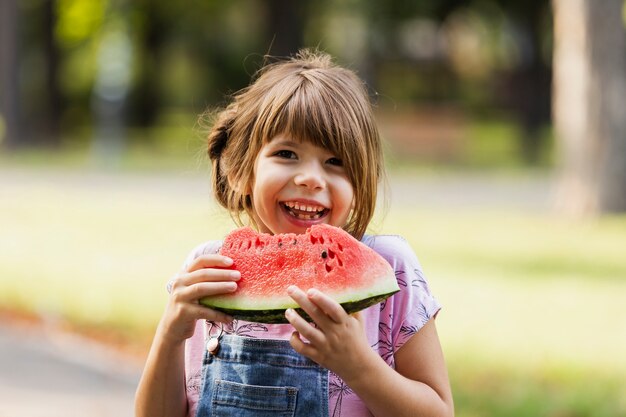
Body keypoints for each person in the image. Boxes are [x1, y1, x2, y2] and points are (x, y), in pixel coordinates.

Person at [135, 49, 454, 417]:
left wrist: (357, 364)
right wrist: (170, 333)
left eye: (336, 162)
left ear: (361, 182)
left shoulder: (391, 268)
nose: (310, 178)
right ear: (240, 170)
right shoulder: (209, 270)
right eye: (286, 154)